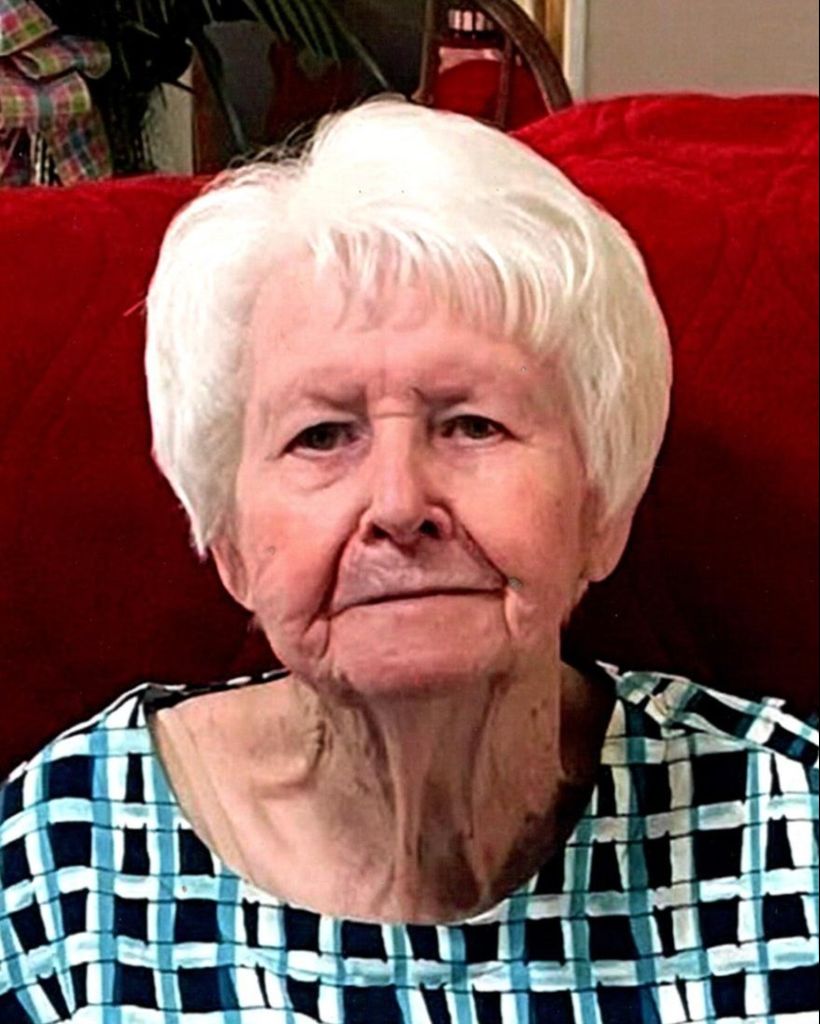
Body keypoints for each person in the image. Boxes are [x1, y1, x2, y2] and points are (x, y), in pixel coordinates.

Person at [0, 99, 816, 1023]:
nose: (397, 505)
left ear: (602, 507)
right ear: (228, 541)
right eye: (321, 435)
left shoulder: (788, 825)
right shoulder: (67, 864)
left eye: (472, 424)